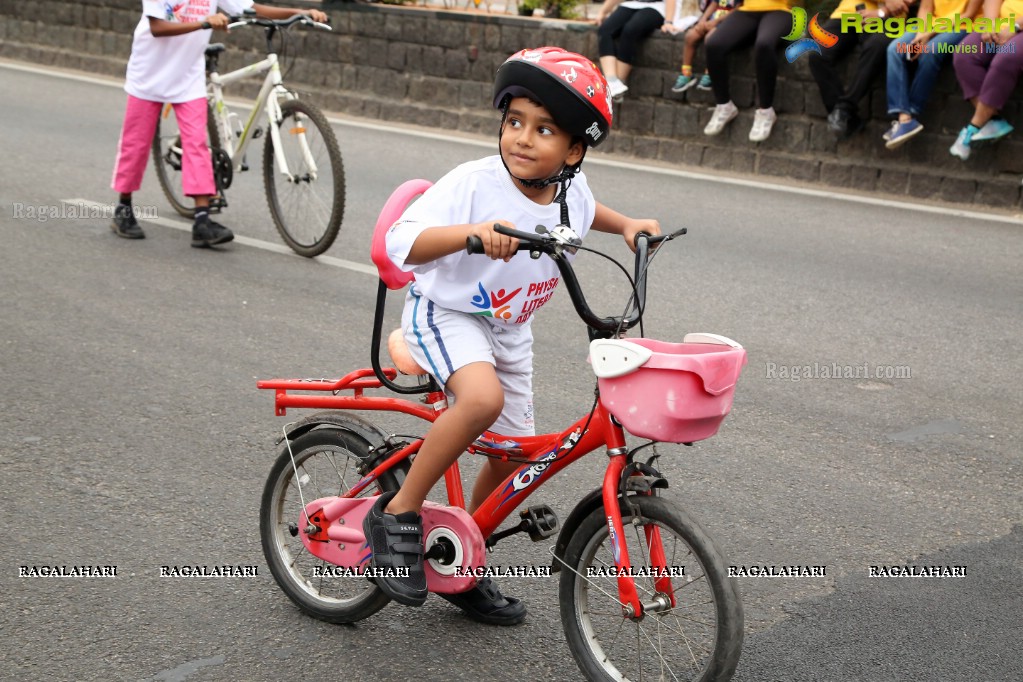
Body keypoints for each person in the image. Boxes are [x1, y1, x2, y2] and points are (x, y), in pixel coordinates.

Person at [367, 47, 661, 624]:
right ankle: (398, 511)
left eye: (544, 129)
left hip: (509, 328)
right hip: (447, 312)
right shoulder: (475, 183)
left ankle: (462, 559)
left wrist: (627, 225)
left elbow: (584, 207)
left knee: (511, 455)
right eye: (514, 122)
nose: (522, 138)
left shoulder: (569, 189)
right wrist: (469, 234)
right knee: (482, 401)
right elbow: (401, 242)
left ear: (574, 151)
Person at [109, 1, 327, 245]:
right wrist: (204, 23)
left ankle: (202, 220)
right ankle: (124, 207)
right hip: (149, 75)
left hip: (187, 77)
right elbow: (157, 27)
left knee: (196, 144)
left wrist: (300, 13)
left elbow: (251, 9)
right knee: (136, 144)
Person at [882, 0, 982, 149]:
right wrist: (922, 31)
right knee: (895, 50)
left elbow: (968, 15)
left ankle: (913, 111)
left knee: (930, 51)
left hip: (962, 25)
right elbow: (925, 8)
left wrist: (930, 33)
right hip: (931, 24)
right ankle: (904, 117)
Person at [807, 0, 906, 137]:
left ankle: (844, 108)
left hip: (890, 19)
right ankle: (847, 118)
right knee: (817, 55)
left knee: (877, 46)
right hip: (848, 14)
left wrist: (884, 12)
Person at [703, 0, 794, 141]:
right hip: (747, 10)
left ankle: (766, 111)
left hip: (782, 11)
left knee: (764, 44)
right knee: (714, 44)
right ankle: (724, 105)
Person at [949, 0, 1022, 159]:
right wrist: (990, 24)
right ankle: (992, 120)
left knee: (1006, 58)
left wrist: (1015, 27)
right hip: (1002, 22)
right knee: (964, 54)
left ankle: (974, 126)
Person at [596, 0, 679, 100]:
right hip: (632, 3)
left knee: (630, 30)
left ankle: (619, 83)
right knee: (605, 30)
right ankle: (612, 81)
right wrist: (603, 12)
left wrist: (668, 21)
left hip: (657, 7)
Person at [670, 0, 742, 94]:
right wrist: (703, 19)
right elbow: (714, 3)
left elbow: (738, 9)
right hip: (712, 20)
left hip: (728, 22)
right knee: (690, 36)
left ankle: (710, 73)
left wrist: (716, 22)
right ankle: (686, 74)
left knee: (710, 38)